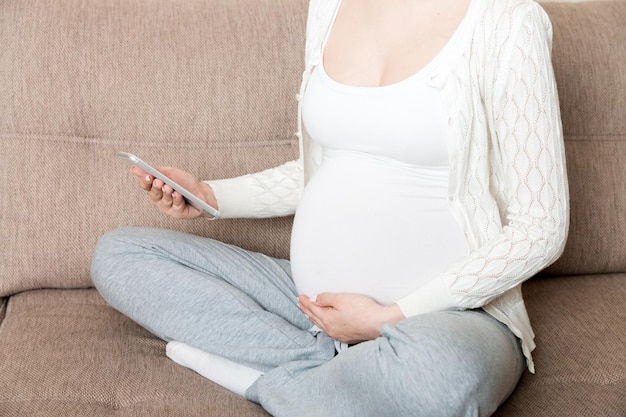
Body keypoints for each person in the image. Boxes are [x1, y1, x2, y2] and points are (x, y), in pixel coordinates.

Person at [91, 0, 569, 415]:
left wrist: (389, 318)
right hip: (310, 306)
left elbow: (542, 228)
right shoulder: (329, 8)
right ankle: (323, 366)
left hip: (449, 319)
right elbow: (323, 169)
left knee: (438, 382)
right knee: (120, 256)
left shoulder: (509, 22)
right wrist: (213, 196)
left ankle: (263, 383)